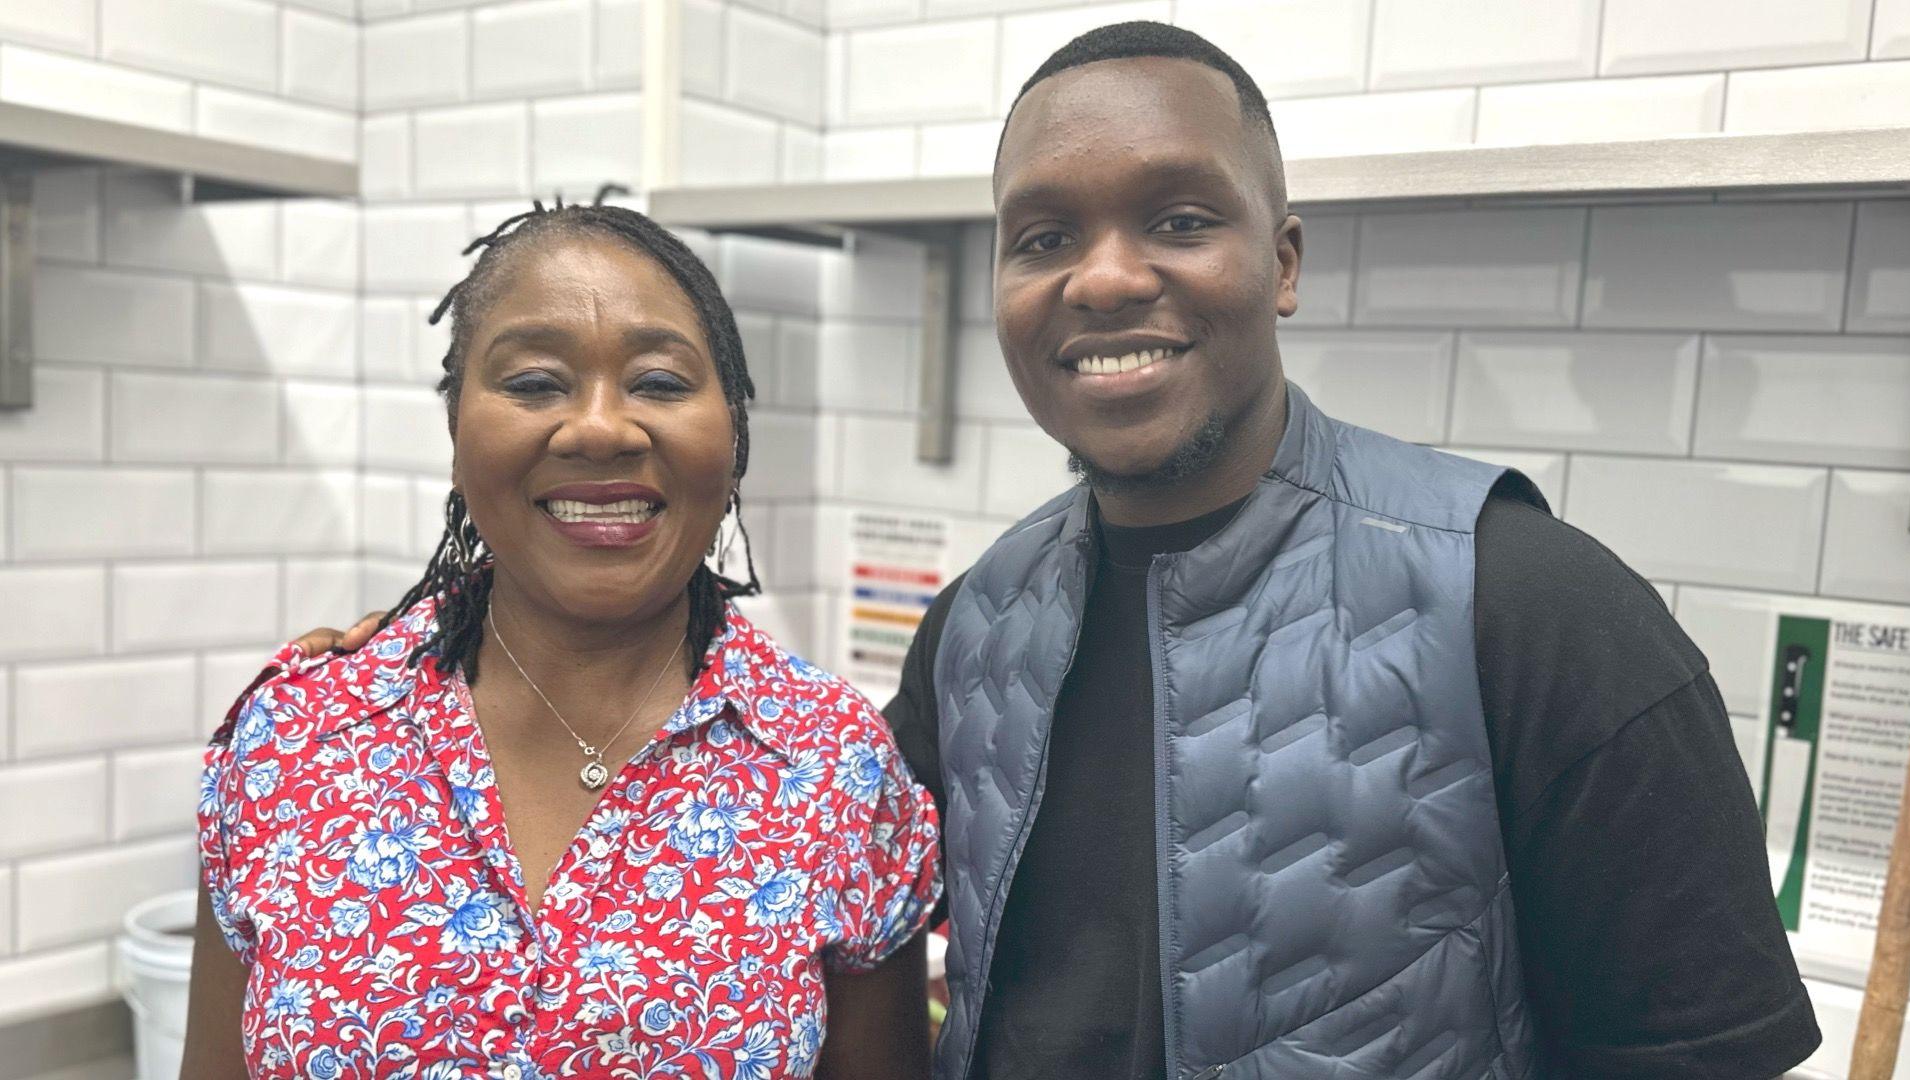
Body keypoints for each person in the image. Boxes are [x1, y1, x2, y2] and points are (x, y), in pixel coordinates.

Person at [299, 22, 1822, 1080]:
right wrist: (457, 650)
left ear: (1280, 260)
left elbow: (1702, 1054)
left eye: (1176, 217)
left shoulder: (1525, 599)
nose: (1106, 279)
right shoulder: (979, 628)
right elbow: (768, 833)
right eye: (1043, 238)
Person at [181, 195, 942, 1079]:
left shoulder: (835, 766)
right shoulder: (299, 738)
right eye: (535, 383)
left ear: (732, 432)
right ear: (456, 428)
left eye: (659, 382)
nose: (597, 428)